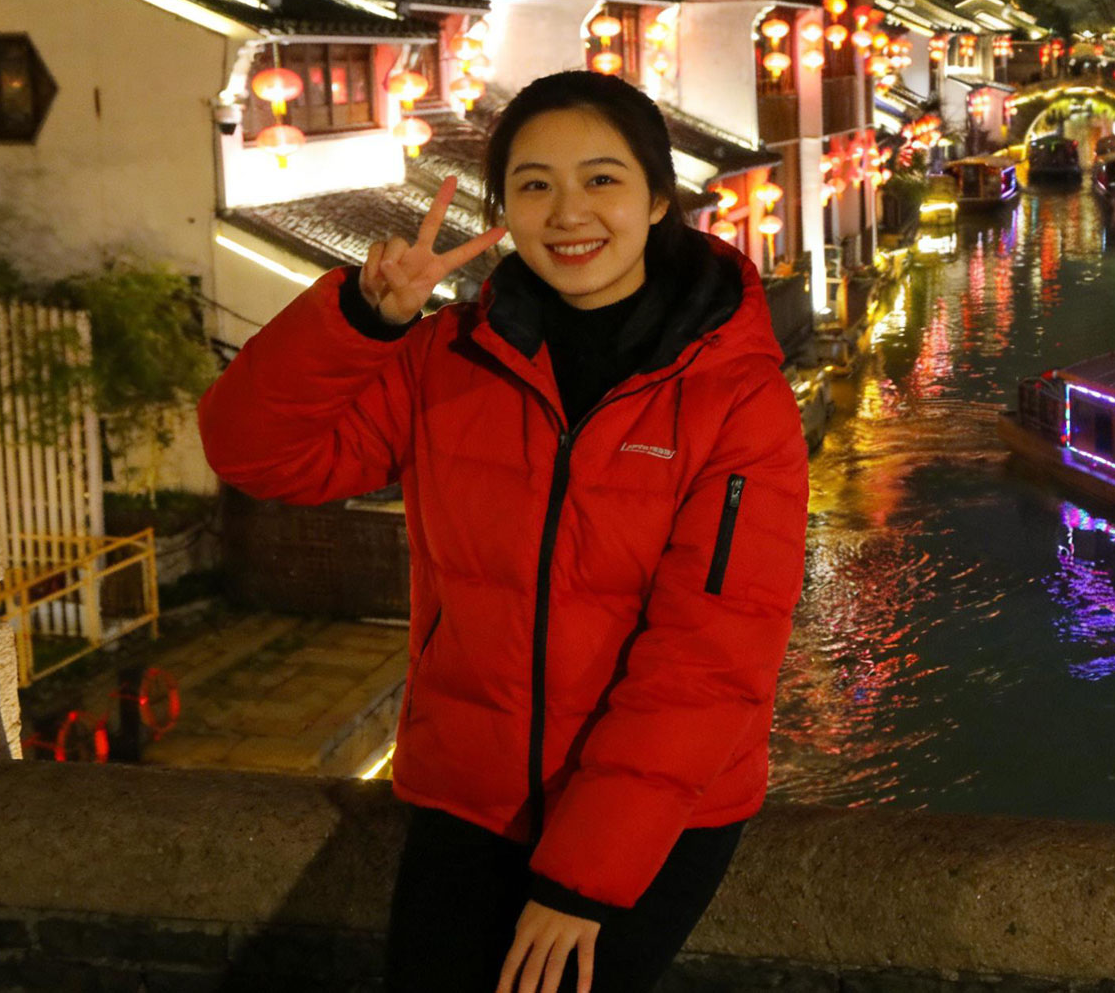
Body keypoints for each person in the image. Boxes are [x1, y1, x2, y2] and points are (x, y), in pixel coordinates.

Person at [198, 72, 811, 993]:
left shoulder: (735, 397)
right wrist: (361, 321)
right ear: (503, 210)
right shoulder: (450, 360)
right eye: (534, 184)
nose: (568, 213)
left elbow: (712, 656)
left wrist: (581, 878)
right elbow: (255, 453)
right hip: (468, 791)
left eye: (601, 179)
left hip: (652, 817)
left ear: (657, 198)